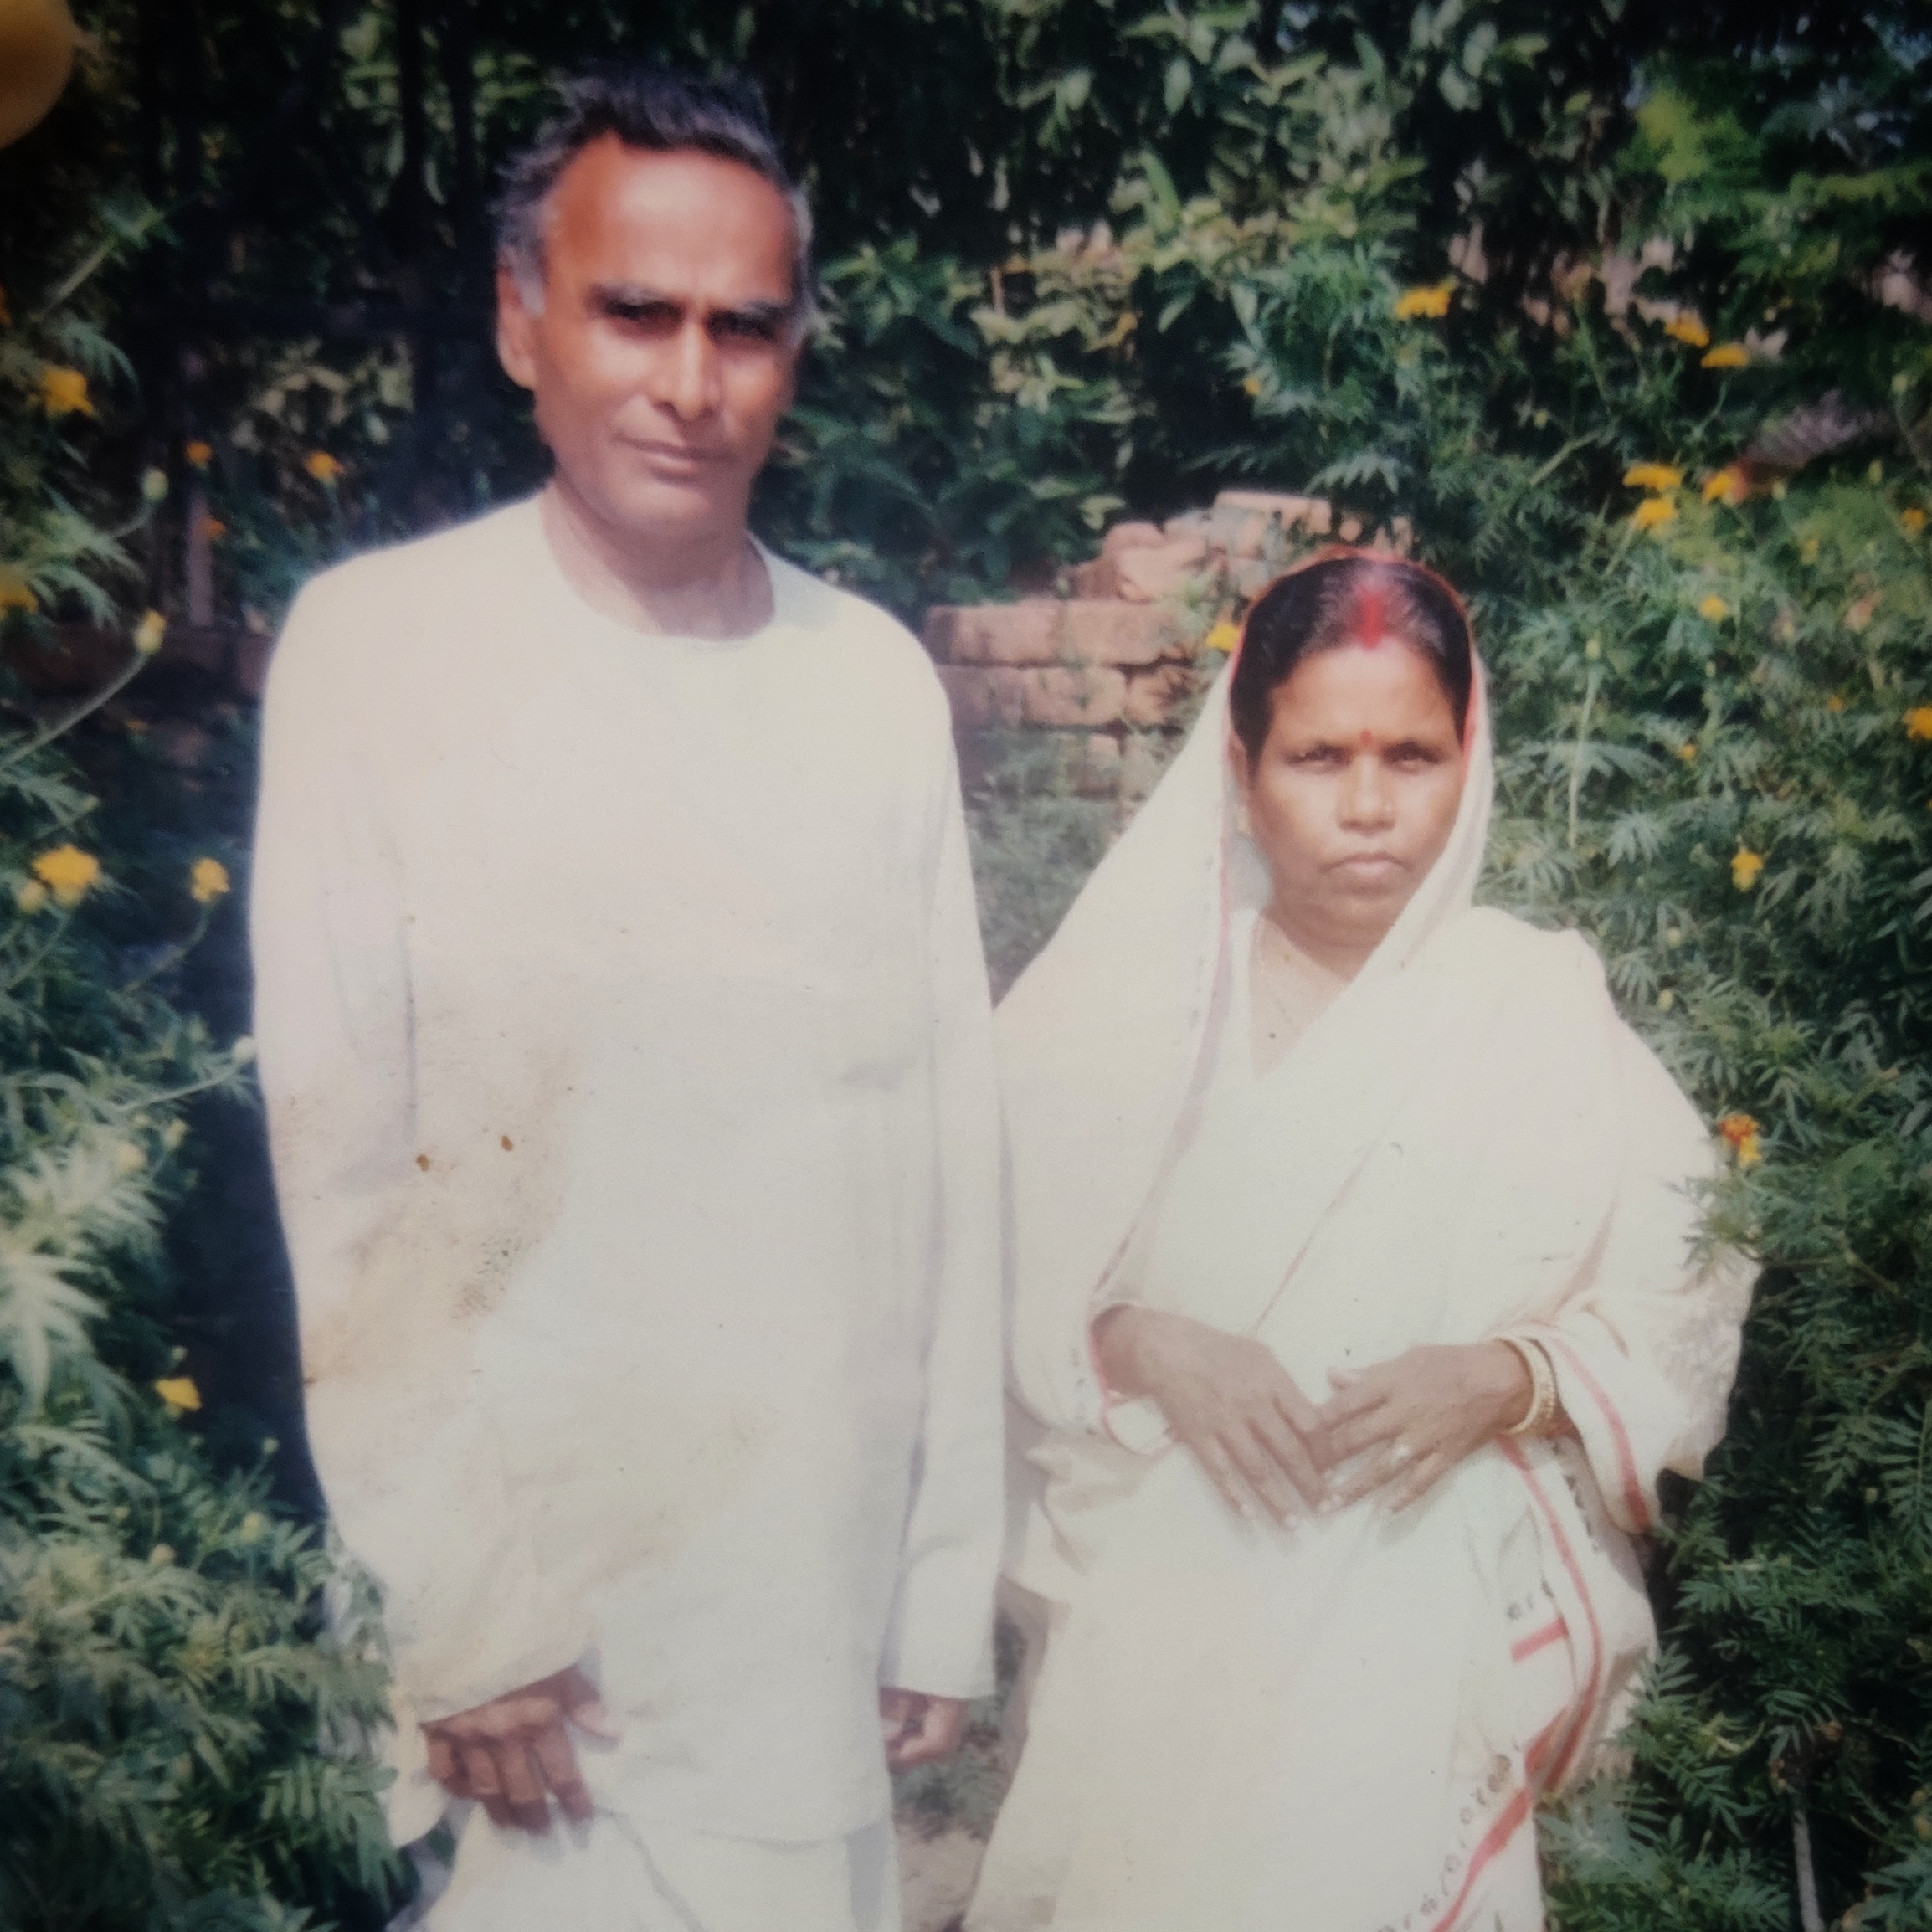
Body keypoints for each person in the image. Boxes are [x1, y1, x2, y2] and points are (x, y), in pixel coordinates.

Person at [249, 66, 1004, 1932]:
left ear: (794, 349)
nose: (691, 377)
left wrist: (938, 1575)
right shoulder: (382, 651)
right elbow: (347, 1189)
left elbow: (950, 1162)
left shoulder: (870, 687)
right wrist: (463, 1607)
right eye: (633, 311)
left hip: (797, 1603)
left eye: (744, 326)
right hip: (542, 1653)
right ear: (522, 320)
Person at [967, 550, 1755, 1932]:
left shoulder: (1539, 1005)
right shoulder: (1121, 1011)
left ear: (1471, 758)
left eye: (1415, 753)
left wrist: (1509, 1378)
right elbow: (978, 1277)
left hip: (1439, 1607)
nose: (1372, 807)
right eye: (1320, 756)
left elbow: (1689, 1280)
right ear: (1243, 768)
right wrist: (1142, 1340)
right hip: (1160, 1616)